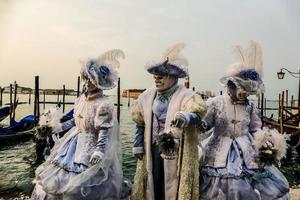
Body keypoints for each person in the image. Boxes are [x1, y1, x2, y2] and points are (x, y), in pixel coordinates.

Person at [199, 41, 290, 200]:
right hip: (219, 151)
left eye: (248, 91)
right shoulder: (215, 103)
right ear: (231, 84)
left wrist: (265, 142)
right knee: (226, 187)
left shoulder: (250, 108)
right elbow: (203, 125)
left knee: (253, 186)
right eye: (243, 89)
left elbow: (255, 129)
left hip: (247, 151)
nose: (245, 94)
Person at [31, 49, 125, 200]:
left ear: (99, 82)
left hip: (90, 147)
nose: (87, 83)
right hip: (73, 143)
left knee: (83, 187)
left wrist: (99, 150)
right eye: (86, 78)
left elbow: (103, 130)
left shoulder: (104, 104)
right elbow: (75, 121)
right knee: (57, 179)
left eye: (91, 80)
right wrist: (54, 128)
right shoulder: (80, 100)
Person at [131, 43, 206, 200]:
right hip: (151, 148)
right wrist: (138, 143)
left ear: (173, 76)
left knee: (173, 182)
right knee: (154, 180)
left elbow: (198, 114)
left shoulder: (187, 96)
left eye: (161, 75)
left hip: (176, 151)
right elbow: (140, 122)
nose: (156, 79)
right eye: (155, 75)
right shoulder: (146, 96)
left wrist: (186, 117)